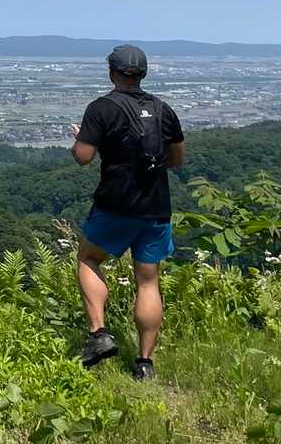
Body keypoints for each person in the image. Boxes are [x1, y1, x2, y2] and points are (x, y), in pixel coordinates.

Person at [71, 44, 186, 381]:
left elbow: (83, 157)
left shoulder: (101, 108)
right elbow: (177, 159)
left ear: (111, 72)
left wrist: (80, 140)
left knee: (88, 258)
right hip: (156, 208)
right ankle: (145, 363)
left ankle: (99, 333)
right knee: (148, 281)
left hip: (115, 204)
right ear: (143, 74)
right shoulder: (163, 109)